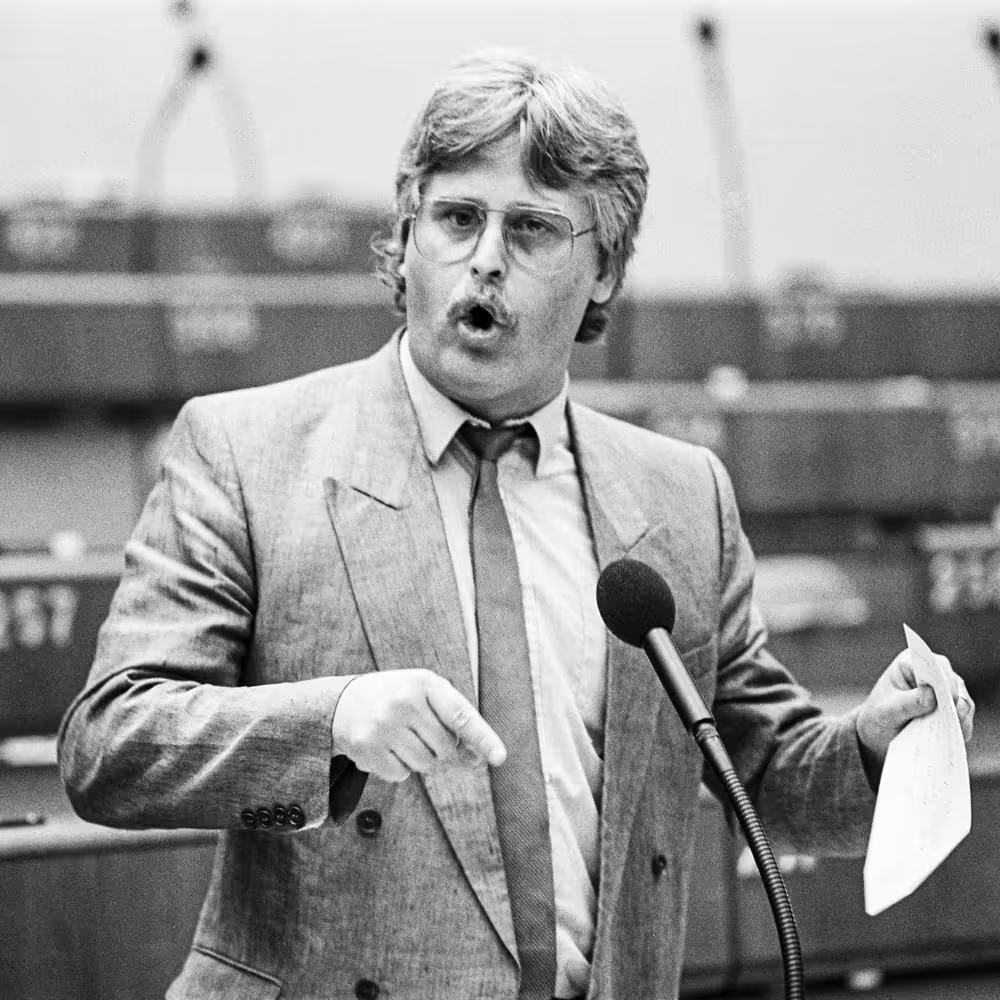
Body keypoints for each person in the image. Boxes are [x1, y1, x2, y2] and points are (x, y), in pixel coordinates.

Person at [58, 49, 975, 1000]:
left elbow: (767, 771)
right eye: (457, 218)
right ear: (406, 237)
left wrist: (878, 744)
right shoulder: (247, 452)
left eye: (533, 228)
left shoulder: (680, 497)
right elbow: (110, 745)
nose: (486, 258)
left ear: (605, 268)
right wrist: (327, 724)